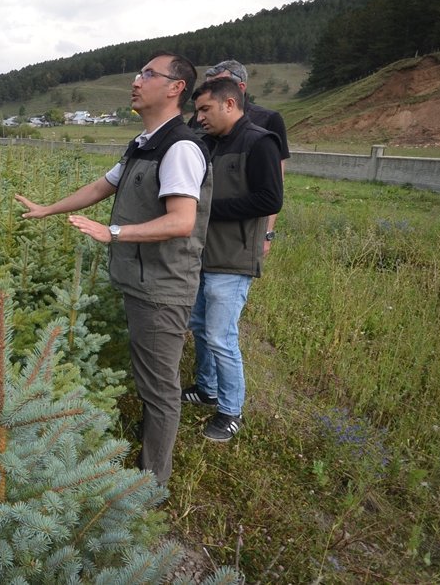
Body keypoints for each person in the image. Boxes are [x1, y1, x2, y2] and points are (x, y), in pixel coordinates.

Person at [15, 52, 211, 488]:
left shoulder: (180, 148)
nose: (136, 81)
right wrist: (49, 208)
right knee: (149, 382)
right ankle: (146, 472)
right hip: (140, 282)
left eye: (148, 74)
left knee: (160, 391)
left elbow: (182, 221)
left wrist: (114, 232)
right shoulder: (144, 143)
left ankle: (149, 488)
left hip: (162, 288)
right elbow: (103, 186)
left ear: (176, 88)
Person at [181, 77, 283, 442]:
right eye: (197, 111)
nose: (200, 117)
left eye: (206, 109)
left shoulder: (260, 142)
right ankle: (206, 388)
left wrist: (207, 211)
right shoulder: (208, 144)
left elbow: (270, 199)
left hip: (234, 257)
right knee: (200, 326)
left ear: (229, 104)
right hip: (204, 254)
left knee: (222, 336)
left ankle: (230, 409)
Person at [197, 60, 289, 255]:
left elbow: (274, 182)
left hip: (238, 242)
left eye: (219, 85)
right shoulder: (198, 121)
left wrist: (267, 233)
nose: (201, 117)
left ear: (240, 88)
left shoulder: (267, 121)